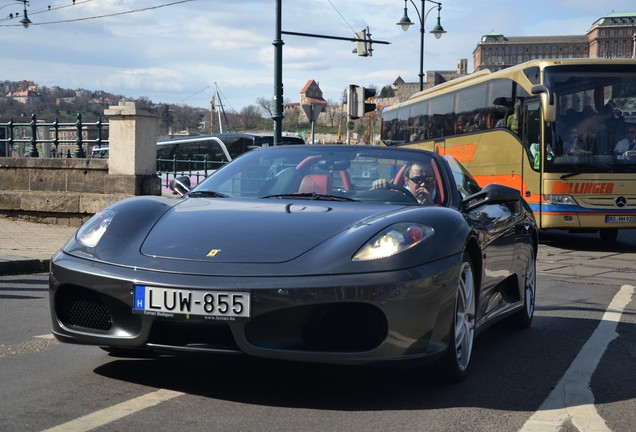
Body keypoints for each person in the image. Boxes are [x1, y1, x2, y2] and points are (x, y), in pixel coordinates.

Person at [372, 162, 437, 205]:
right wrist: (379, 186)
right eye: (418, 180)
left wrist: (430, 204)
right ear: (407, 181)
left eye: (429, 179)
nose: (423, 184)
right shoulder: (398, 197)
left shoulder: (443, 197)